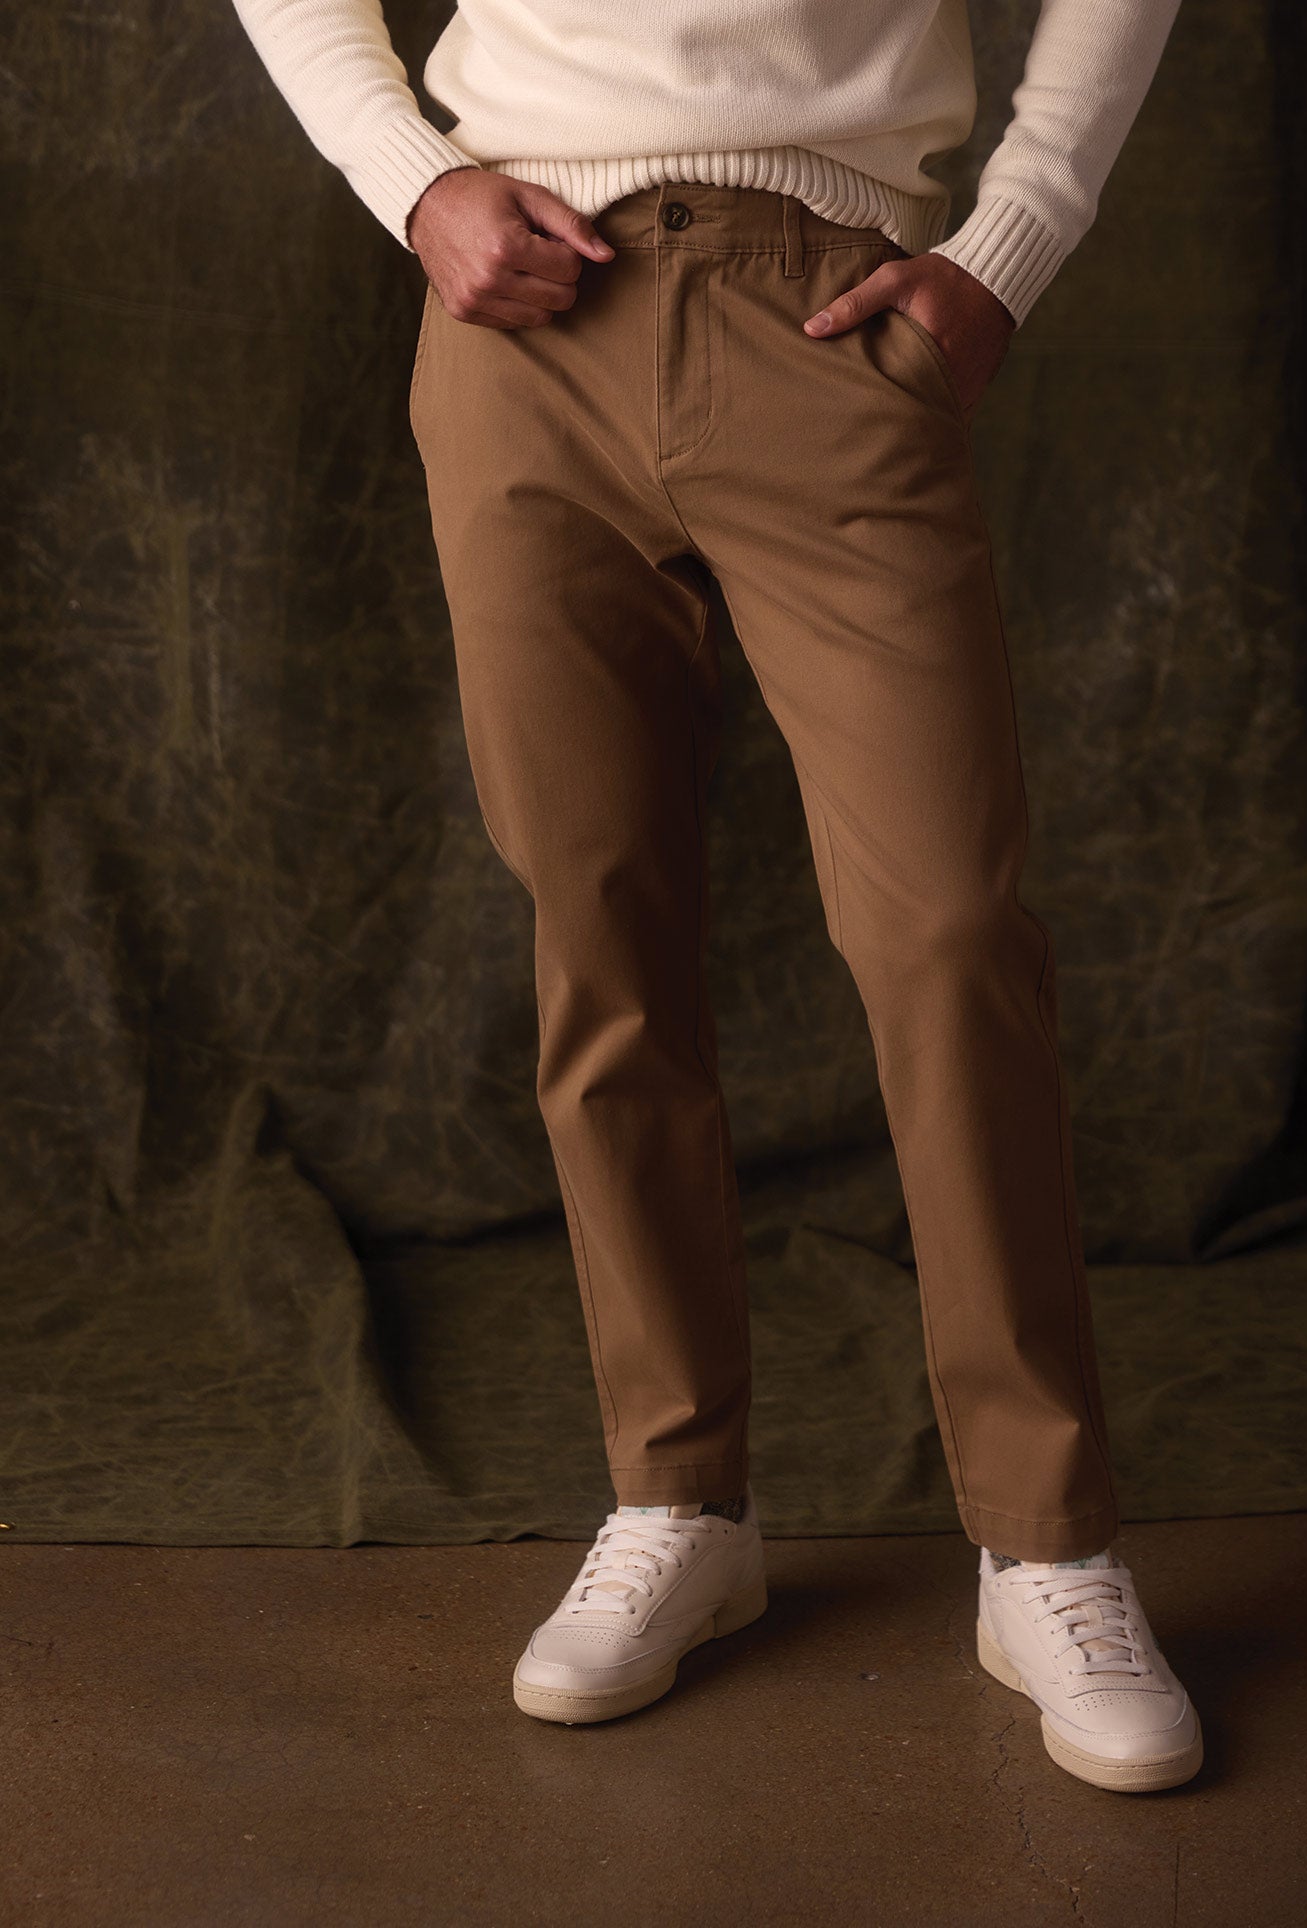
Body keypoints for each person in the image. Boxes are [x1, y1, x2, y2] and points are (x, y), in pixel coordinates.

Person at [231, 0, 1201, 1792]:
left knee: (948, 932)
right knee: (598, 930)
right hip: (522, 313)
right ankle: (679, 1499)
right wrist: (413, 181)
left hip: (830, 304)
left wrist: (1012, 242)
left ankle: (1046, 1542)